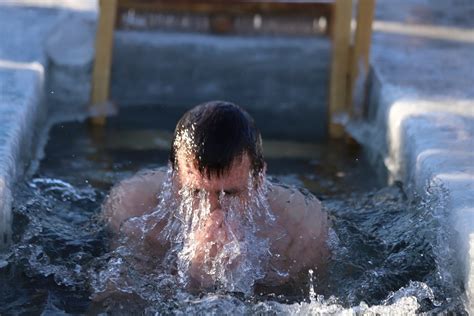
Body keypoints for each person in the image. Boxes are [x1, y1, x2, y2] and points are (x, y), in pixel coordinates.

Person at [102, 100, 329, 294]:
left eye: (230, 194)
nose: (213, 210)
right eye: (196, 192)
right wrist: (193, 278)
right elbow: (115, 301)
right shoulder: (132, 206)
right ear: (173, 177)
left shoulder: (301, 229)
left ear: (260, 180)